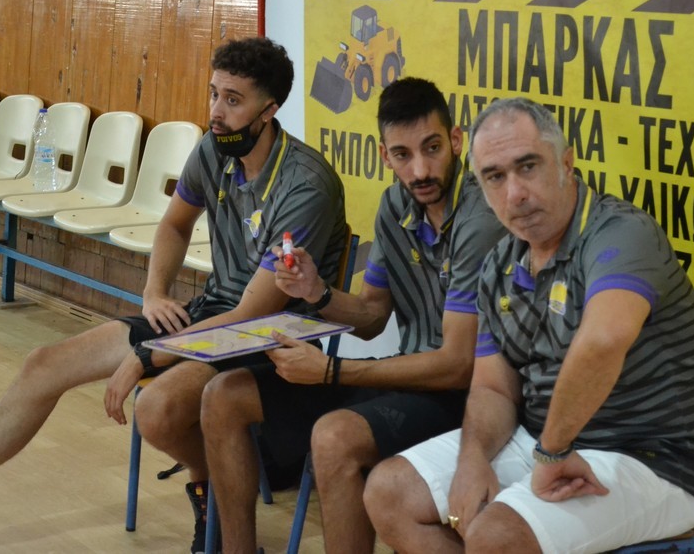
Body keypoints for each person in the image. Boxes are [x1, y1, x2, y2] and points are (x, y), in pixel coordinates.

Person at [0, 36, 347, 554]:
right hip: (211, 315)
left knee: (156, 408)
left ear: (269, 110)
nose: (216, 112)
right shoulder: (214, 149)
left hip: (271, 336)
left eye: (233, 100)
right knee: (43, 365)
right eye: (214, 94)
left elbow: (252, 314)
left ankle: (227, 497)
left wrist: (147, 355)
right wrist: (154, 292)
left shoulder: (305, 185)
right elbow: (174, 225)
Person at [363, 97, 694, 553]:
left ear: (566, 163)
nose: (515, 193)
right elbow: (494, 388)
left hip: (653, 459)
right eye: (495, 177)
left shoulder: (620, 232)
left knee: (495, 535)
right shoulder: (500, 261)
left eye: (528, 166)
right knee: (389, 492)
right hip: (542, 440)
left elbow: (604, 339)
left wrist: (551, 451)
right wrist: (473, 460)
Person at [200, 76, 507, 553]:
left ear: (455, 140)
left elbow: (456, 365)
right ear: (385, 156)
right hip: (410, 379)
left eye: (431, 148)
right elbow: (371, 316)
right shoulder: (395, 205)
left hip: (468, 396)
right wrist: (317, 292)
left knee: (334, 437)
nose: (420, 170)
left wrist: (331, 371)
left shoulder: (480, 218)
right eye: (402, 154)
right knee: (224, 395)